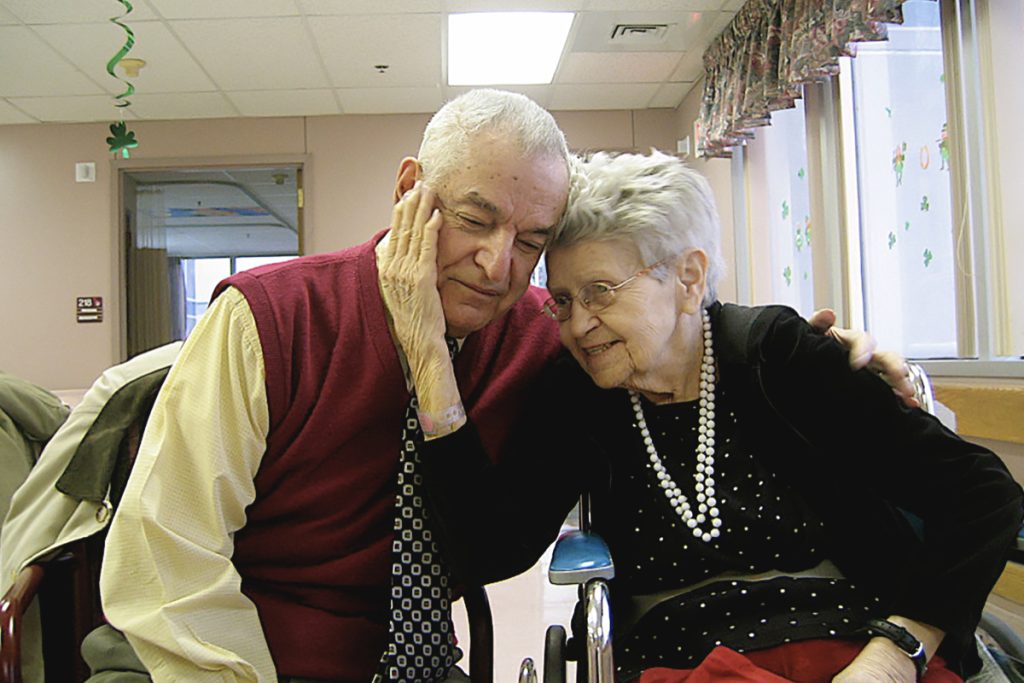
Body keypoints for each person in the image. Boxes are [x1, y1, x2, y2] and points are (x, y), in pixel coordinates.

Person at [99, 89, 906, 683]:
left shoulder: (547, 337)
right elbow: (165, 556)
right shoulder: (269, 319)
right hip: (235, 655)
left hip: (422, 661)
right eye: (475, 220)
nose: (497, 265)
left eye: (531, 241)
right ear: (411, 186)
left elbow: (679, 330)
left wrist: (850, 361)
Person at [406, 150, 1024, 683]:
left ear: (688, 276)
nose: (578, 323)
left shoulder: (775, 356)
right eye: (563, 301)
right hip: (683, 661)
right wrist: (432, 364)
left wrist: (898, 650)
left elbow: (981, 493)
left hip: (855, 649)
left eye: (601, 291)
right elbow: (489, 545)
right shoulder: (577, 391)